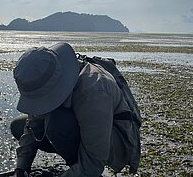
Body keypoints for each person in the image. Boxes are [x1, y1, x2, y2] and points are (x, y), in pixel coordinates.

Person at [10, 43, 140, 176]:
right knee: (18, 125)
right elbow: (32, 124)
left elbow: (94, 162)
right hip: (82, 126)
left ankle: (77, 167)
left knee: (57, 123)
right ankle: (76, 165)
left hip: (113, 141)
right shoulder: (49, 75)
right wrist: (21, 168)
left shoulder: (94, 90)